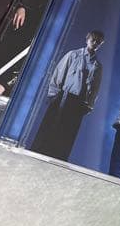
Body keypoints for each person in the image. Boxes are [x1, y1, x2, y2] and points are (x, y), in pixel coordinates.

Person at [31, 31, 105, 161]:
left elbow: (95, 88)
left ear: (101, 44)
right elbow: (59, 73)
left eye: (98, 41)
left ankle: (57, 161)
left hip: (79, 103)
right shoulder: (73, 55)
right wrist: (53, 94)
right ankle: (38, 156)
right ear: (87, 39)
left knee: (67, 134)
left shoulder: (97, 66)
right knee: (51, 129)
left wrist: (89, 105)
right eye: (93, 39)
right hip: (64, 96)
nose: (95, 43)